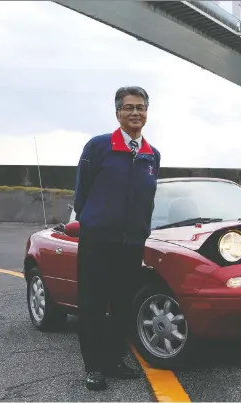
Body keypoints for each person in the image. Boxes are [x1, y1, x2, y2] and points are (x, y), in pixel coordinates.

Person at [73, 86, 161, 391]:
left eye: (141, 107)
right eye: (129, 108)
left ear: (147, 113)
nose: (135, 113)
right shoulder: (98, 147)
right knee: (93, 305)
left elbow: (147, 199)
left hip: (131, 244)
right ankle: (94, 367)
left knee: (123, 305)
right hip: (98, 241)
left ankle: (114, 360)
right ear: (118, 113)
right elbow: (81, 194)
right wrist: (92, 223)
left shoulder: (152, 155)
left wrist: (141, 231)